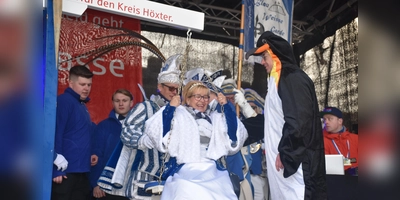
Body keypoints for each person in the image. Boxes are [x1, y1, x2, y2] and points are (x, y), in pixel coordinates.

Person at [245, 31, 327, 200]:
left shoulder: (293, 79)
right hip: (282, 167)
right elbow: (271, 121)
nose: (262, 62)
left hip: (297, 167)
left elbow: (299, 121)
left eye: (264, 56)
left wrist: (287, 152)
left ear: (276, 54)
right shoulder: (275, 83)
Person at [143, 80, 248, 199]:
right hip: (186, 167)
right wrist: (171, 108)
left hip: (211, 168)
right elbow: (161, 131)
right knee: (184, 188)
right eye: (198, 96)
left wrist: (227, 107)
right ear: (187, 99)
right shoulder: (179, 115)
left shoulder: (215, 118)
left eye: (205, 97)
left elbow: (233, 135)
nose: (202, 101)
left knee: (220, 189)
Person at [97, 54, 182, 199]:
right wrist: (143, 140)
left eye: (177, 89)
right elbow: (127, 133)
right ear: (159, 87)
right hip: (144, 176)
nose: (174, 92)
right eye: (171, 88)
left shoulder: (179, 111)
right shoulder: (145, 107)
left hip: (169, 177)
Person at [52, 65, 94, 200]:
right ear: (70, 83)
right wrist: (55, 170)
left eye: (89, 84)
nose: (86, 88)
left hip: (81, 171)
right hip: (65, 173)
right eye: (82, 84)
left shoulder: (81, 105)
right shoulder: (64, 102)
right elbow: (56, 133)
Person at [90, 89, 134, 200]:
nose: (121, 103)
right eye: (117, 100)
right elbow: (96, 156)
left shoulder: (140, 126)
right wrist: (96, 183)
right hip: (107, 186)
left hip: (132, 185)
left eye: (124, 100)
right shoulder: (103, 126)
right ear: (112, 103)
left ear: (131, 103)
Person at [234, 88, 270, 200]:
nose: (248, 110)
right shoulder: (243, 126)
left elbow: (258, 122)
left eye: (253, 107)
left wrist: (244, 105)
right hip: (250, 175)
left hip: (267, 176)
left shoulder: (267, 124)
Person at [320, 106, 358, 174]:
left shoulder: (356, 139)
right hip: (333, 181)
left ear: (340, 121)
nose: (326, 122)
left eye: (330, 119)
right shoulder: (321, 141)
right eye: (324, 119)